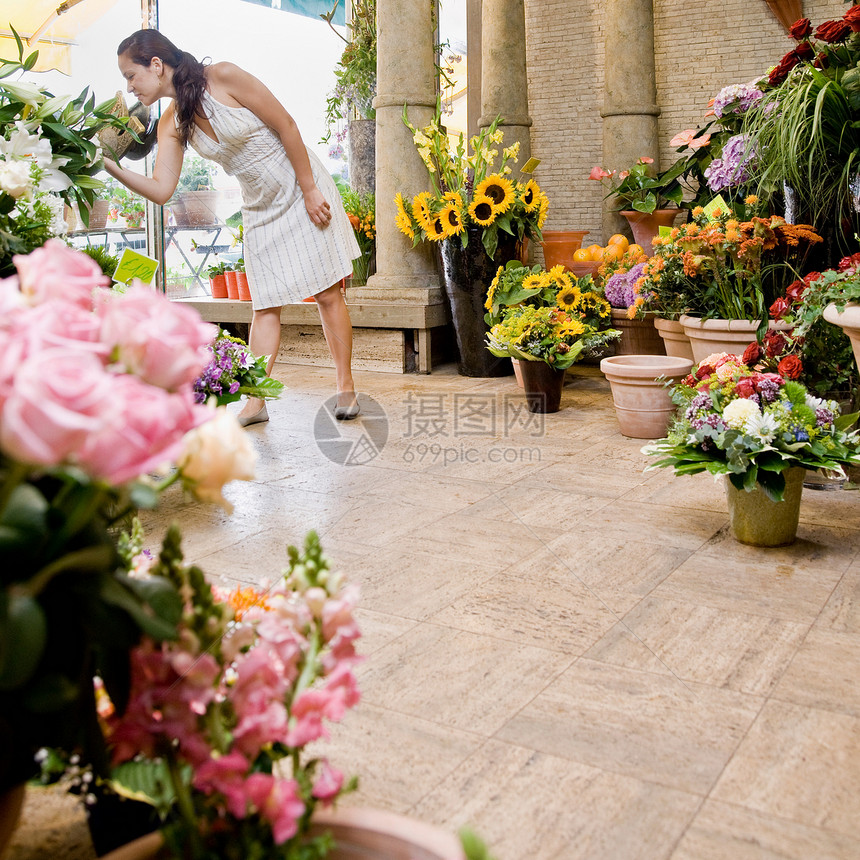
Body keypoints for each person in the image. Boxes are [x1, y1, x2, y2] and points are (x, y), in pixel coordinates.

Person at [104, 30, 361, 424]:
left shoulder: (222, 76)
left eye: (130, 75)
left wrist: (310, 189)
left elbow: (287, 124)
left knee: (327, 294)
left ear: (156, 65)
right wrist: (109, 166)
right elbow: (161, 189)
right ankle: (257, 401)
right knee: (264, 304)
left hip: (299, 186)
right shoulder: (172, 122)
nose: (129, 86)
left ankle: (345, 387)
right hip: (259, 206)